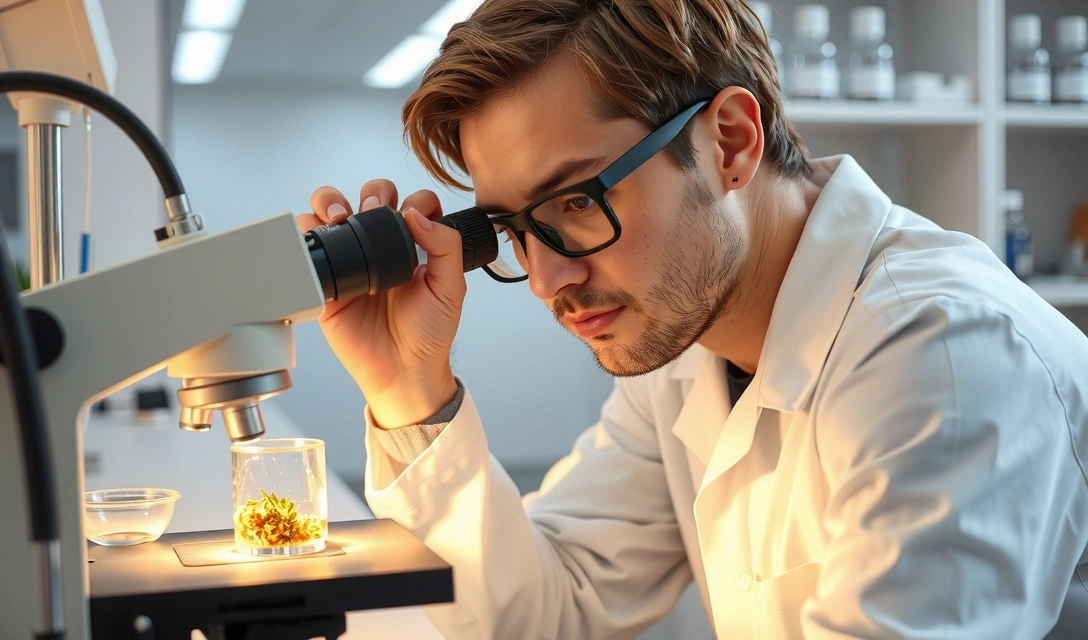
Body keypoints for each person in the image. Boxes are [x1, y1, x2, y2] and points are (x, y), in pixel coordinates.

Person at [296, 1, 1088, 637]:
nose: (548, 280)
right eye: (512, 230)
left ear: (731, 143)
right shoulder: (686, 349)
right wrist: (409, 390)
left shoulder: (943, 357)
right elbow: (548, 610)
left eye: (579, 201)